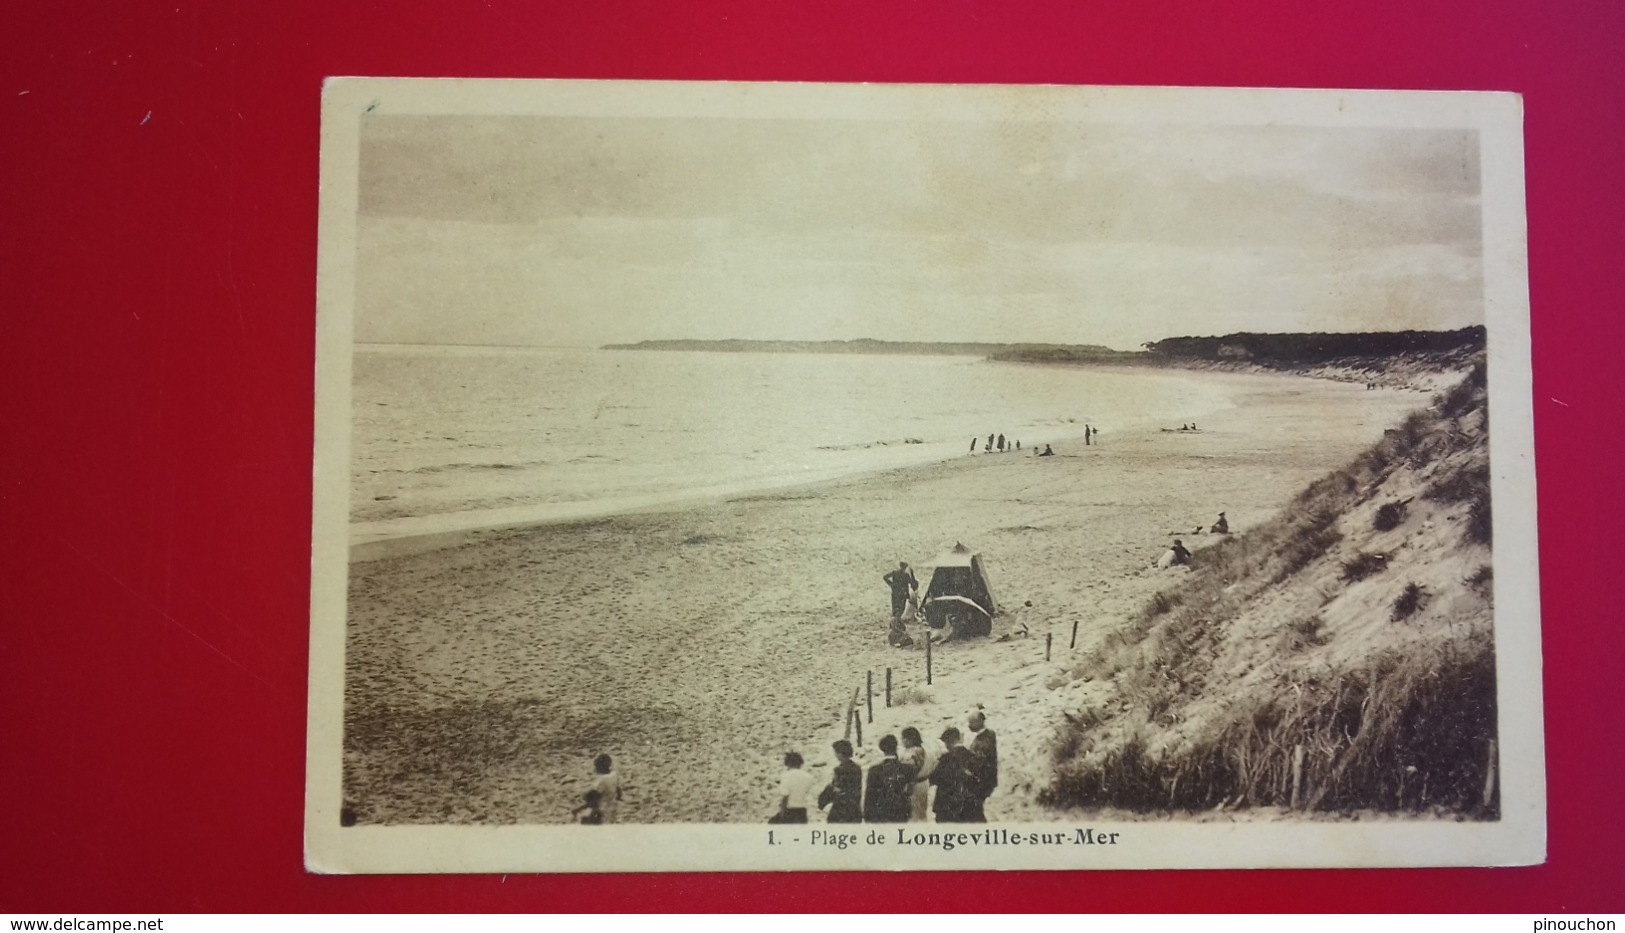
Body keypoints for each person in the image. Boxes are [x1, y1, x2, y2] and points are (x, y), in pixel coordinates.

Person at [929, 727, 977, 823]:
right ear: (959, 738)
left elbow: (934, 778)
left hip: (946, 806)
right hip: (967, 806)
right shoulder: (972, 756)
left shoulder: (945, 758)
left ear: (948, 742)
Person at [862, 735, 914, 823]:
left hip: (881, 813)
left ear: (882, 749)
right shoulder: (907, 769)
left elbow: (870, 795)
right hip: (901, 811)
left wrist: (868, 816)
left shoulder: (875, 770)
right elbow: (910, 791)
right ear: (896, 746)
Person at [818, 740, 863, 823]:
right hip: (855, 808)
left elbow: (836, 789)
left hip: (841, 810)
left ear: (840, 754)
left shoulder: (839, 769)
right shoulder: (857, 768)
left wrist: (822, 801)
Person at [966, 712, 999, 822]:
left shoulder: (982, 741)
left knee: (976, 809)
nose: (969, 726)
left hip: (981, 781)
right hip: (988, 779)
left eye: (971, 723)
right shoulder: (990, 734)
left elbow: (978, 762)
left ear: (980, 722)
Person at [900, 727, 936, 822]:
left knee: (913, 814)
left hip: (912, 786)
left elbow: (906, 771)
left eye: (904, 738)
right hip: (924, 783)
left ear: (910, 739)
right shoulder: (927, 752)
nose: (902, 741)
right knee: (922, 813)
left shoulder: (909, 754)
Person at [771, 751, 815, 823]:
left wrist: (782, 811)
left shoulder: (786, 776)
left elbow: (785, 795)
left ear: (787, 763)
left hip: (789, 810)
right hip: (802, 810)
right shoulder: (809, 776)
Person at [589, 753, 622, 824]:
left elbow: (592, 799)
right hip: (612, 808)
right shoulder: (614, 774)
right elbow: (619, 792)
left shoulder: (601, 781)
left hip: (601, 811)